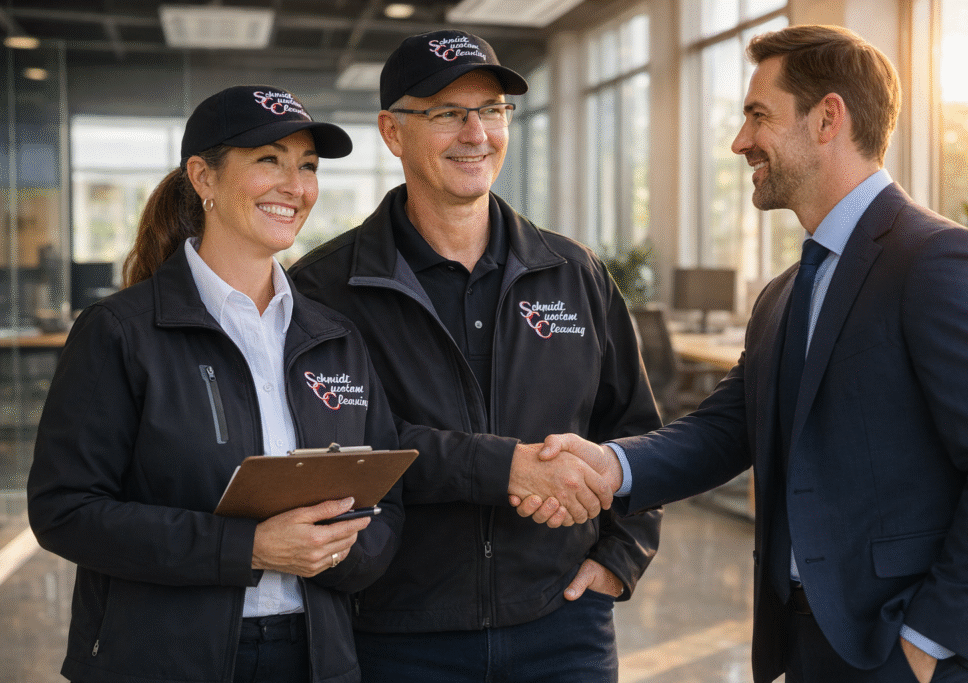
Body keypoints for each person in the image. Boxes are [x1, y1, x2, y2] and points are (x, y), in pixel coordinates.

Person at [525, 24, 968, 683]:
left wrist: (930, 636)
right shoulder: (785, 292)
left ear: (828, 118)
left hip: (902, 647)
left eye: (758, 115)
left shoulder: (938, 260)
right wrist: (609, 464)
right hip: (806, 640)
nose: (740, 141)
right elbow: (725, 430)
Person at [289, 29, 662, 683]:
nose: (476, 132)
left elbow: (634, 428)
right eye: (446, 112)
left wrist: (622, 556)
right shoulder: (325, 289)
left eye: (491, 110)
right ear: (392, 130)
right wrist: (507, 468)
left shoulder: (572, 273)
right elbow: (337, 455)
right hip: (400, 635)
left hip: (563, 625)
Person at [27, 85, 404, 683]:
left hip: (315, 657)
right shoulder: (121, 332)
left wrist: (339, 553)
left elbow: (387, 504)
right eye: (268, 160)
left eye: (307, 166)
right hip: (163, 659)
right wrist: (247, 548)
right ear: (203, 177)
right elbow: (64, 511)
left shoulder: (335, 338)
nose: (296, 185)